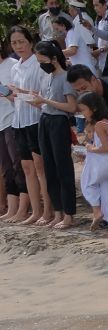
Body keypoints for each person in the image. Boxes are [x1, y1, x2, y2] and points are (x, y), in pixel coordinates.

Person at [28, 40, 77, 229]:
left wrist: (45, 100)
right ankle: (57, 212)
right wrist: (34, 100)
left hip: (59, 122)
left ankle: (69, 214)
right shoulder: (45, 77)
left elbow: (71, 107)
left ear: (54, 59)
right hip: (45, 120)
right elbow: (44, 102)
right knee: (49, 167)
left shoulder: (65, 77)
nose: (41, 64)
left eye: (42, 60)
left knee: (62, 167)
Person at [8, 26, 52, 226]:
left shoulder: (38, 64)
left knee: (40, 167)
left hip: (36, 119)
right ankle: (35, 211)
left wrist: (21, 92)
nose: (18, 46)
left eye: (21, 41)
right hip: (18, 120)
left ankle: (47, 211)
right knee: (26, 167)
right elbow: (16, 98)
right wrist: (11, 95)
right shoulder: (15, 66)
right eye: (14, 42)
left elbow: (43, 95)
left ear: (30, 42)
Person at [76, 90, 108, 234]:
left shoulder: (99, 125)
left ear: (94, 108)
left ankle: (97, 210)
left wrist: (90, 148)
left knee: (87, 183)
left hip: (107, 161)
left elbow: (105, 148)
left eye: (84, 109)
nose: (83, 113)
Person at [0, 35, 29, 222]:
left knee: (18, 164)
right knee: (6, 167)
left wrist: (5, 91)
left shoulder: (11, 64)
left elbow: (17, 95)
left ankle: (23, 208)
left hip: (13, 119)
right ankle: (12, 207)